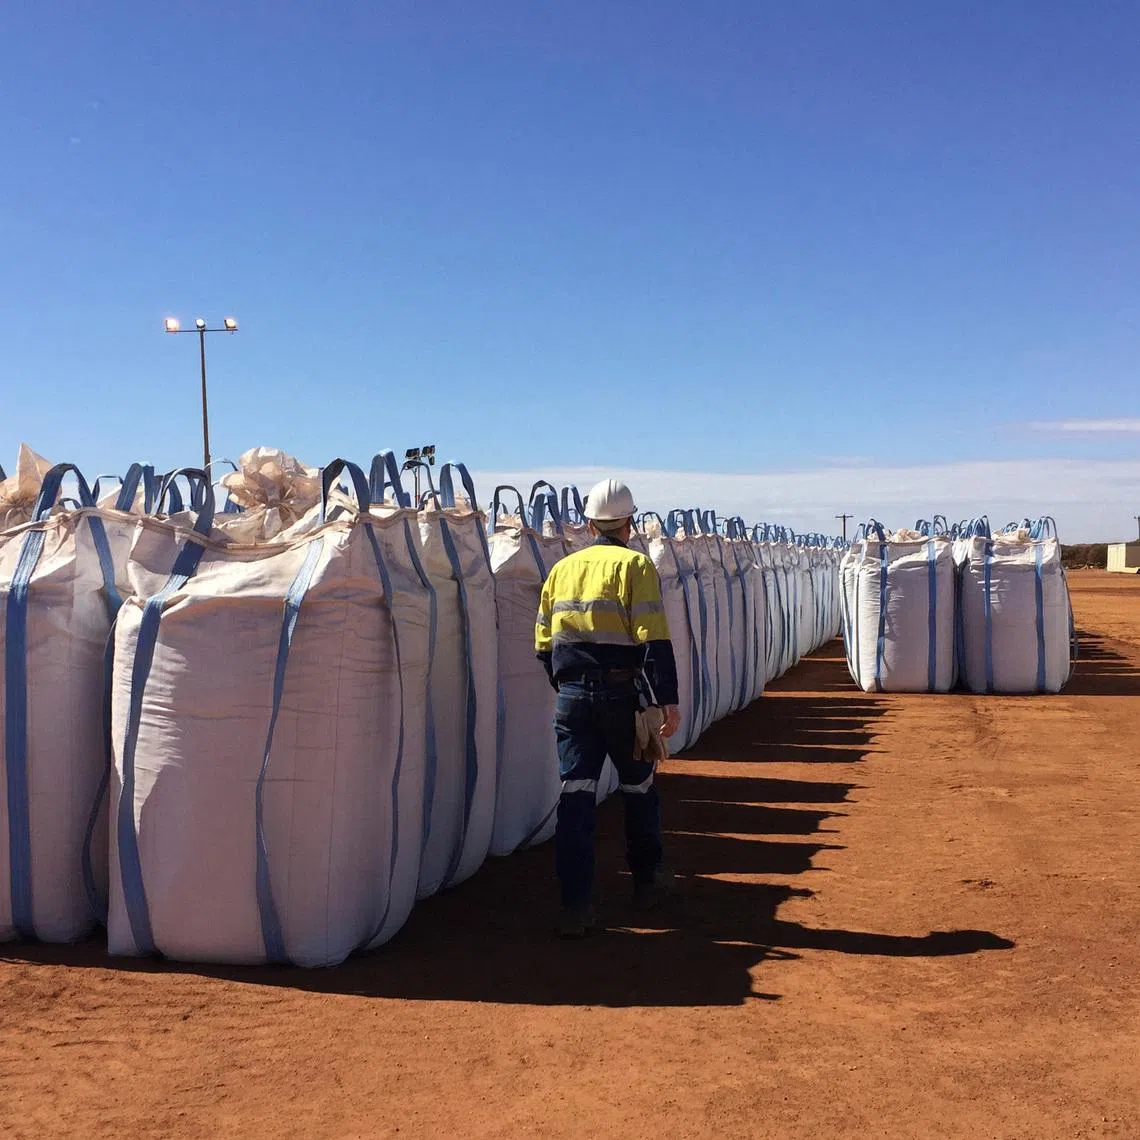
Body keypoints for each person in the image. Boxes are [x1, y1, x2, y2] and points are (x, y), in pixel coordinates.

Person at [535, 477, 681, 938]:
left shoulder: (563, 569)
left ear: (589, 521)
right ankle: (648, 882)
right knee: (639, 790)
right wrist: (666, 700)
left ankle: (576, 906)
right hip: (624, 700)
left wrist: (568, 687)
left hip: (573, 700)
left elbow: (543, 643)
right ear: (629, 521)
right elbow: (654, 638)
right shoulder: (636, 566)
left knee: (575, 798)